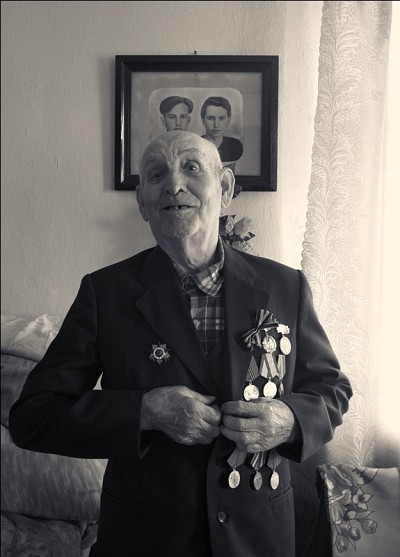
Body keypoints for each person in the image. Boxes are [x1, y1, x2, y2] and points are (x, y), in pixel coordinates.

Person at [9, 131, 352, 557]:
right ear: (143, 203)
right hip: (146, 540)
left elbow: (332, 390)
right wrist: (145, 412)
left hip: (259, 537)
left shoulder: (286, 286)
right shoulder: (105, 293)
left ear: (224, 188)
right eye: (157, 175)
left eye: (191, 168)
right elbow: (34, 415)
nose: (174, 184)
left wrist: (290, 419)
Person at [201, 96, 244, 162]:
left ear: (228, 120)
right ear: (203, 121)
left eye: (221, 118)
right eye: (211, 118)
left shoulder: (235, 146)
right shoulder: (195, 145)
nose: (216, 125)